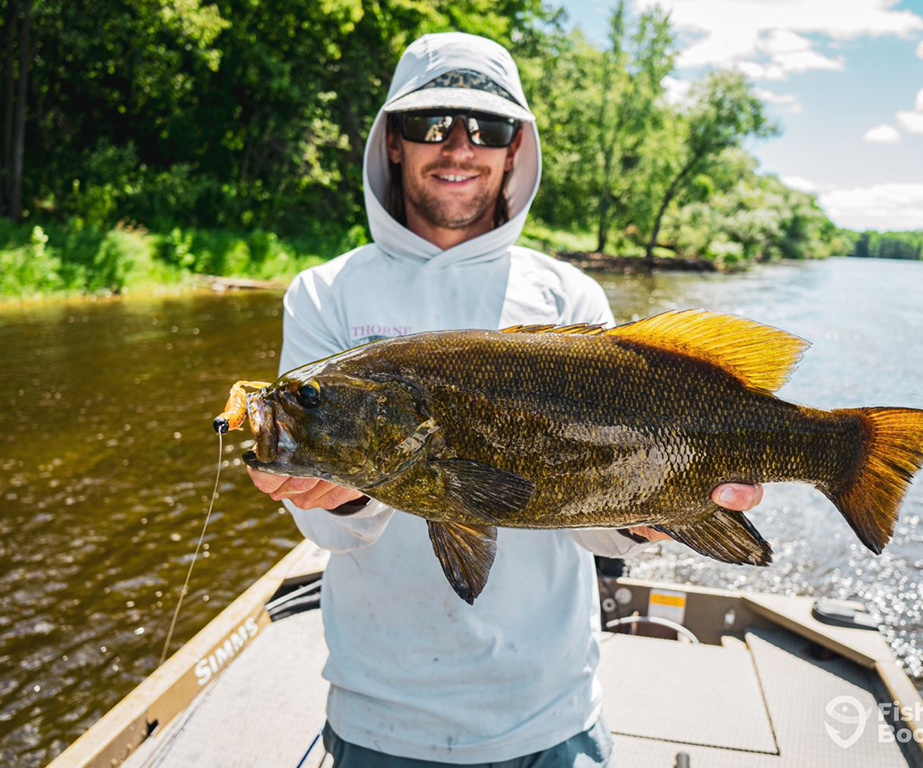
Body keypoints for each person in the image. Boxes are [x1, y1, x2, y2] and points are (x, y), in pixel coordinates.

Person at [248, 32, 763, 767]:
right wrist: (332, 495)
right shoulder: (327, 293)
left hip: (552, 712)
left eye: (486, 127)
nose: (459, 148)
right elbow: (326, 530)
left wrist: (654, 520)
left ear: (515, 147)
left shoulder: (568, 294)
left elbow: (595, 530)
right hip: (381, 715)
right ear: (391, 141)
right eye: (431, 124)